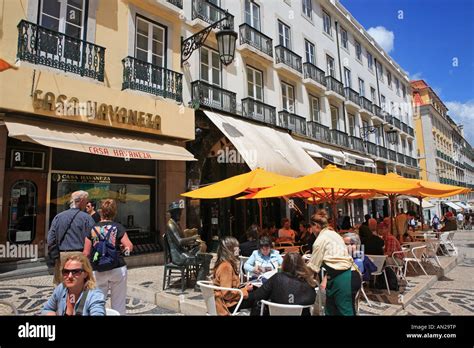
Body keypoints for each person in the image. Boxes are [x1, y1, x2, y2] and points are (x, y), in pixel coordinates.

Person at [83, 199, 133, 315]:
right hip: (117, 267)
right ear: (114, 212)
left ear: (101, 212)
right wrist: (122, 248)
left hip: (97, 268)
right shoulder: (118, 227)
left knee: (97, 302)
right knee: (119, 303)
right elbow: (129, 246)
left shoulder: (92, 228)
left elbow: (86, 253)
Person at [307, 209, 361, 316]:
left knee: (345, 312)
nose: (310, 230)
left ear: (317, 226)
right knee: (330, 311)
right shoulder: (334, 234)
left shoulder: (320, 240)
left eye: (311, 227)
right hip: (346, 275)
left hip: (344, 278)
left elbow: (312, 268)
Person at [47, 190, 96, 286]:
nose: (87, 204)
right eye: (86, 202)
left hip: (62, 255)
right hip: (80, 256)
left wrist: (56, 255)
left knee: (61, 285)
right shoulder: (87, 218)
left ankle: (63, 301)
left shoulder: (58, 217)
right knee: (80, 285)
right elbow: (94, 238)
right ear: (81, 201)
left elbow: (50, 239)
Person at [248, 252, 316, 316]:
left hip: (276, 313)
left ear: (284, 264)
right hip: (302, 314)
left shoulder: (277, 278)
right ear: (302, 264)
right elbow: (312, 299)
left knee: (257, 303)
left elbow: (258, 295)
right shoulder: (307, 280)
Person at [165, 201, 212, 290]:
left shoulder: (176, 224)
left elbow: (182, 241)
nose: (180, 214)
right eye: (178, 212)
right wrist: (192, 238)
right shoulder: (170, 225)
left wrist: (194, 242)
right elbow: (179, 242)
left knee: (201, 251)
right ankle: (199, 285)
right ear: (173, 213)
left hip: (182, 251)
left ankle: (201, 279)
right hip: (179, 256)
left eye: (180, 212)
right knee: (206, 259)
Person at [213, 236, 253, 315]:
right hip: (230, 305)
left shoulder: (224, 264)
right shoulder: (226, 266)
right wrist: (245, 290)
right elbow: (227, 294)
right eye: (237, 247)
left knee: (258, 294)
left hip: (231, 301)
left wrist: (244, 286)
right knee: (259, 300)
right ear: (230, 249)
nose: (239, 249)